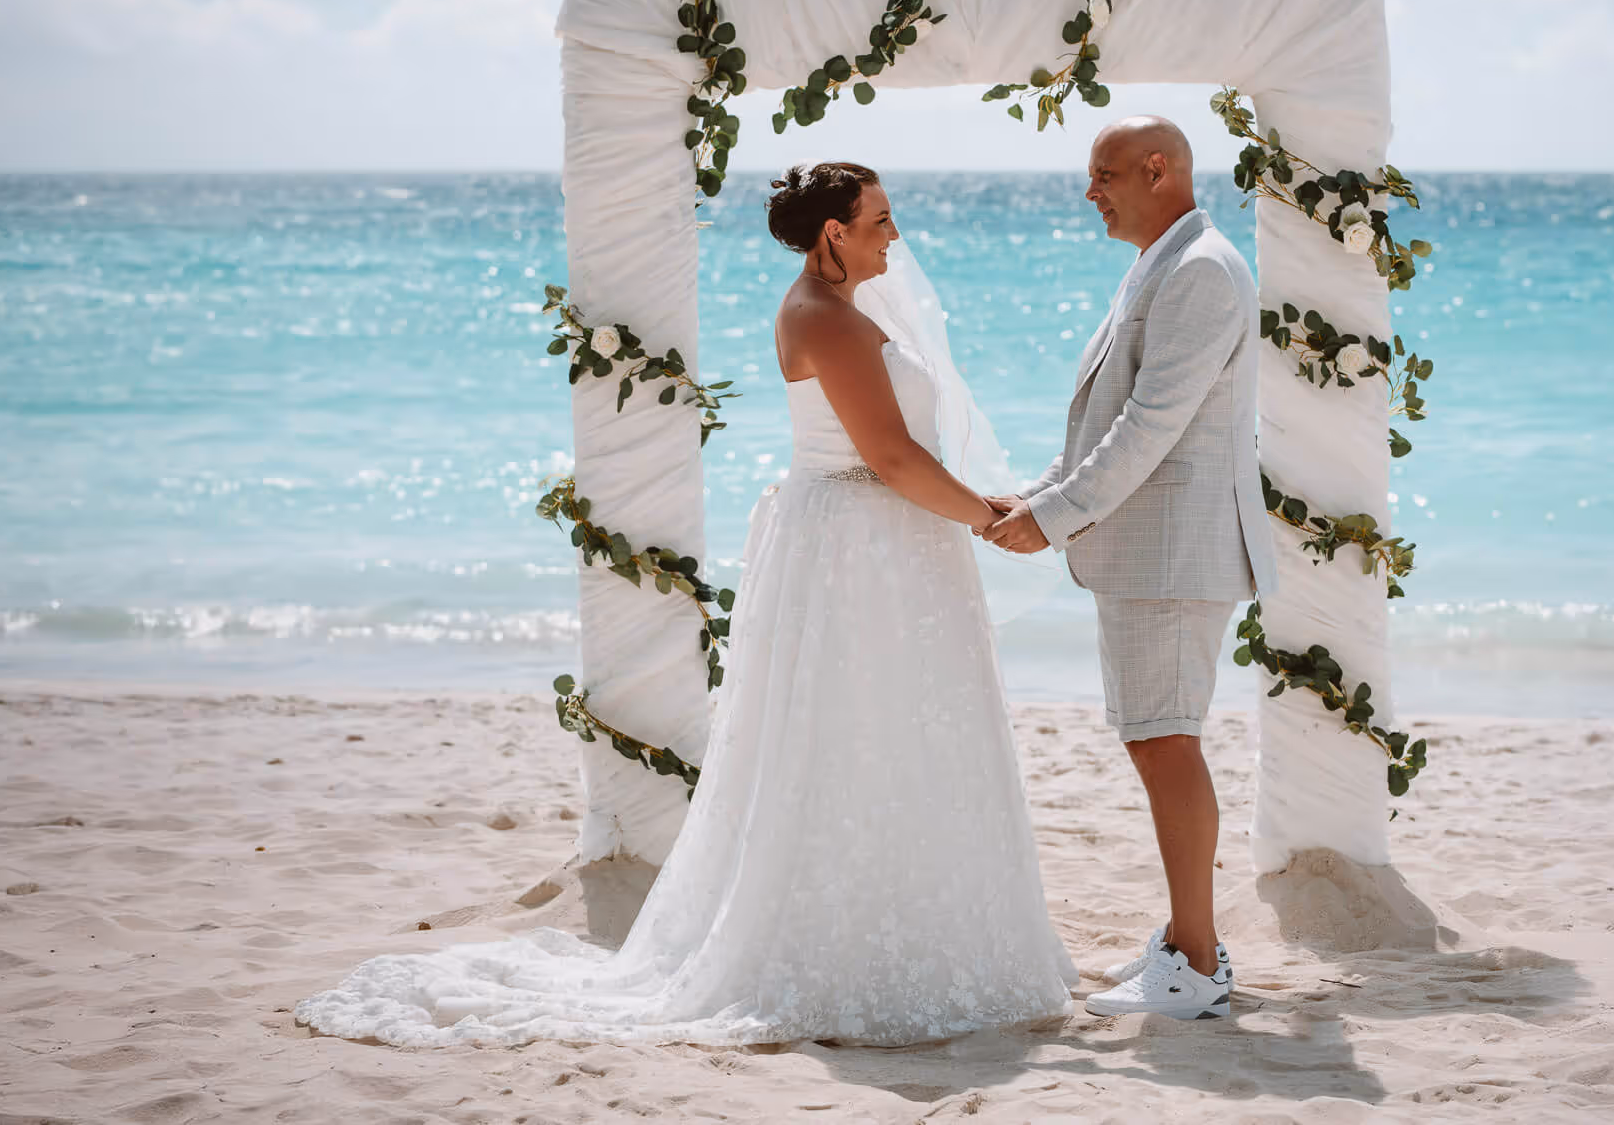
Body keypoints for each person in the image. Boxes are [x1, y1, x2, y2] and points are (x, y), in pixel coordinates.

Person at [293, 161, 1076, 1047]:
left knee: (891, 733)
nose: (895, 235)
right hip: (860, 549)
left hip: (884, 545)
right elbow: (890, 459)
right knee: (850, 734)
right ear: (835, 233)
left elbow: (904, 452)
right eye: (882, 219)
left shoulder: (845, 313)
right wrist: (989, 519)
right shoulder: (825, 319)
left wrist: (991, 500)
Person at [983, 116, 1276, 1022]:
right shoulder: (1166, 258)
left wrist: (1057, 516)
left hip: (1175, 551)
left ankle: (1196, 960)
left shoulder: (1199, 271)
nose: (1091, 191)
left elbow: (1150, 424)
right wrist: (1032, 495)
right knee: (1155, 735)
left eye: (1105, 173)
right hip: (1153, 549)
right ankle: (1188, 944)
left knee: (1164, 737)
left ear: (1160, 169)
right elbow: (1108, 417)